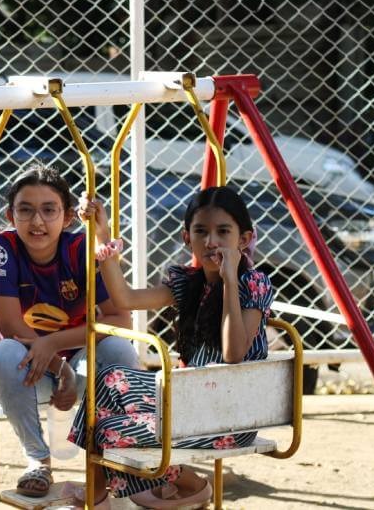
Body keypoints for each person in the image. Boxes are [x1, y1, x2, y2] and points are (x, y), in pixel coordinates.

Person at [67, 185, 274, 509]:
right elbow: (126, 298)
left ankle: (180, 483)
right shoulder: (187, 282)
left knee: (106, 429)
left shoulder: (253, 283)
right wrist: (101, 232)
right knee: (105, 381)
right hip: (187, 402)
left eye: (223, 231)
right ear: (186, 238)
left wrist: (230, 279)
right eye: (201, 231)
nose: (211, 241)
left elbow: (234, 354)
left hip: (230, 416)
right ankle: (113, 490)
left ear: (244, 239)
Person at [0, 164, 139, 498]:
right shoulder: (3, 248)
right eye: (25, 210)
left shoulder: (80, 249)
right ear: (11, 216)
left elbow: (121, 320)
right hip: (34, 369)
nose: (37, 222)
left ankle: (117, 460)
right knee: (2, 352)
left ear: (68, 216)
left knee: (121, 349)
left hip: (81, 363)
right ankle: (37, 459)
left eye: (49, 210)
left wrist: (57, 346)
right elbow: (12, 327)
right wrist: (59, 366)